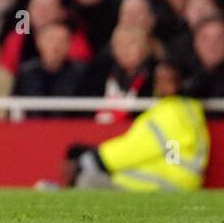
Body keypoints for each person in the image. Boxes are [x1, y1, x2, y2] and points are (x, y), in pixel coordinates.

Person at [64, 62, 210, 191]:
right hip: (178, 180)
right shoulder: (189, 110)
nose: (160, 85)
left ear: (181, 83)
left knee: (88, 181)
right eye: (159, 80)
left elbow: (138, 148)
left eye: (167, 80)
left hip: (166, 183)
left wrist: (94, 159)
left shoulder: (170, 111)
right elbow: (167, 151)